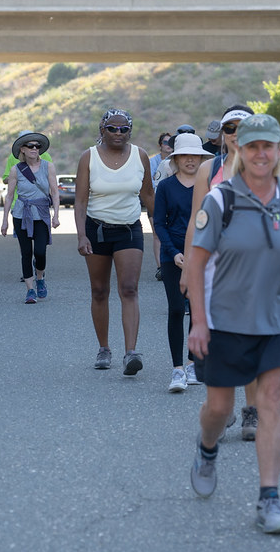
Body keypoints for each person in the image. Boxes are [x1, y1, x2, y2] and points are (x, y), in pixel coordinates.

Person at [186, 113, 280, 535]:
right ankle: (206, 449)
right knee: (218, 409)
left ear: (278, 151)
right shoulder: (221, 200)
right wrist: (198, 323)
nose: (260, 153)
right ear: (240, 149)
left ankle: (269, 499)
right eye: (252, 145)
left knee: (271, 399)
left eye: (268, 146)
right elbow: (198, 264)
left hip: (275, 319)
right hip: (224, 321)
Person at [182, 103, 260, 440]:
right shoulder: (208, 170)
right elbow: (196, 222)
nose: (235, 136)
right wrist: (187, 269)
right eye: (230, 129)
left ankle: (251, 413)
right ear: (222, 135)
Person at [75, 108, 156, 376]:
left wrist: (164, 230)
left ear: (130, 131)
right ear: (103, 130)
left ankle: (131, 352)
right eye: (112, 128)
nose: (118, 133)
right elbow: (81, 200)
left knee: (129, 288)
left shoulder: (140, 155)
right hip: (96, 229)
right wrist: (81, 235)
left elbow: (148, 196)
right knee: (99, 291)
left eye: (124, 129)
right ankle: (103, 348)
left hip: (129, 229)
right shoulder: (89, 157)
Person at [153, 132, 213, 392]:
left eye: (194, 155)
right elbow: (159, 223)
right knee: (177, 308)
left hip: (201, 254)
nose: (190, 160)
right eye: (184, 156)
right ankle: (177, 369)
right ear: (176, 160)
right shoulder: (165, 187)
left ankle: (192, 364)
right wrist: (174, 252)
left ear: (201, 158)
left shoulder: (209, 185)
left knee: (198, 310)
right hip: (172, 255)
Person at [0, 131, 60, 303]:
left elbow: (55, 192)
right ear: (23, 150)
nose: (35, 149)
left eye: (37, 146)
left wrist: (56, 214)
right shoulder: (15, 169)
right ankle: (30, 290)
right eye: (31, 146)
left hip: (41, 213)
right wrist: (4, 220)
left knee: (40, 252)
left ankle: (40, 278)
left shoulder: (48, 166)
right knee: (26, 253)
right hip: (21, 213)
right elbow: (10, 196)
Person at [149, 131, 174, 282]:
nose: (168, 145)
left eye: (170, 143)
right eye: (165, 142)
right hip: (155, 200)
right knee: (157, 234)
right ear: (160, 145)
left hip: (172, 202)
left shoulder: (177, 160)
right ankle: (161, 268)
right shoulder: (153, 161)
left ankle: (172, 263)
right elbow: (149, 182)